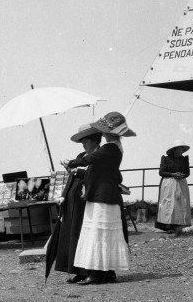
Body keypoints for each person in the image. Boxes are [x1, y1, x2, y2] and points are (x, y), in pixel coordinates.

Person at [67, 111, 135, 285]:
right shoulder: (114, 147)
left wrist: (72, 163)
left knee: (98, 233)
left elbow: (90, 159)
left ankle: (97, 273)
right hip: (104, 194)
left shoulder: (110, 148)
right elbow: (98, 170)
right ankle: (106, 272)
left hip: (102, 196)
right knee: (103, 234)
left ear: (107, 133)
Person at [54, 124, 103, 283]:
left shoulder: (101, 155)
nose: (83, 144)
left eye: (86, 141)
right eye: (82, 141)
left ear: (95, 141)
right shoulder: (82, 155)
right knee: (73, 235)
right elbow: (72, 177)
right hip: (74, 200)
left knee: (87, 235)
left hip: (88, 200)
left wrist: (80, 171)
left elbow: (99, 176)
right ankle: (78, 270)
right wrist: (64, 193)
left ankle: (91, 271)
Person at [155, 140, 192, 233]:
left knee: (181, 202)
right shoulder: (166, 159)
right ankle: (168, 225)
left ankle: (181, 224)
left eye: (182, 149)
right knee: (169, 203)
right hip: (169, 183)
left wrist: (182, 175)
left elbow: (187, 172)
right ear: (174, 150)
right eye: (180, 149)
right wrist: (172, 174)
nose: (181, 151)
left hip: (181, 183)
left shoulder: (184, 159)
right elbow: (161, 172)